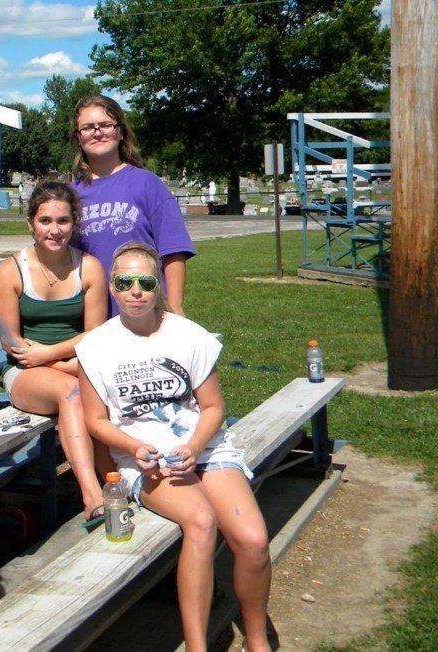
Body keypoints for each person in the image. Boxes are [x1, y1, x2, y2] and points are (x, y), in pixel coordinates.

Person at [76, 242, 271, 652]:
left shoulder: (189, 335)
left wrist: (195, 445)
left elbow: (213, 407)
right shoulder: (94, 347)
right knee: (201, 522)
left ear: (159, 286)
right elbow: (95, 421)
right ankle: (198, 647)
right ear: (111, 286)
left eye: (146, 282)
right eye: (124, 282)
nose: (135, 291)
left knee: (253, 541)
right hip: (145, 459)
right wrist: (133, 446)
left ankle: (257, 641)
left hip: (204, 448)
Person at [0, 180, 113, 521]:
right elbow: (11, 342)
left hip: (73, 363)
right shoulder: (10, 271)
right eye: (45, 220)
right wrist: (62, 365)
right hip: (25, 372)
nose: (54, 230)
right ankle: (93, 495)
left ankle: (120, 481)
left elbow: (95, 333)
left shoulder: (89, 267)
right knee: (74, 392)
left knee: (95, 393)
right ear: (30, 223)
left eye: (63, 221)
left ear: (74, 223)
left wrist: (49, 356)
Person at [68, 95, 195, 316]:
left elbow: (173, 251)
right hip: (91, 318)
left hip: (145, 313)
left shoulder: (148, 184)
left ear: (120, 132)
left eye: (105, 125)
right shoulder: (70, 195)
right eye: (88, 127)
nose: (97, 132)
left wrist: (175, 308)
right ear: (79, 138)